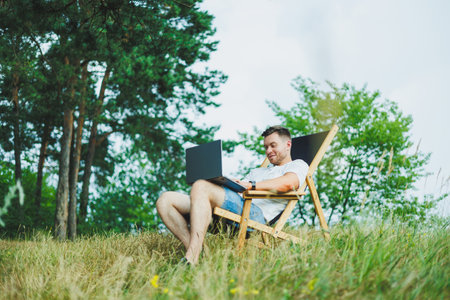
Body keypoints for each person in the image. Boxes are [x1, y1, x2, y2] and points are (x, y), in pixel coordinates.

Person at [156, 126, 308, 265]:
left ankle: (192, 258)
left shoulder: (297, 165)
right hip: (236, 207)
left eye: (273, 145)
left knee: (201, 186)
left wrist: (251, 185)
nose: (268, 151)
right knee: (165, 200)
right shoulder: (258, 171)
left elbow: (289, 183)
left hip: (254, 215)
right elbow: (238, 192)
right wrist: (228, 183)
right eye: (266, 147)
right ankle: (196, 249)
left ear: (288, 144)